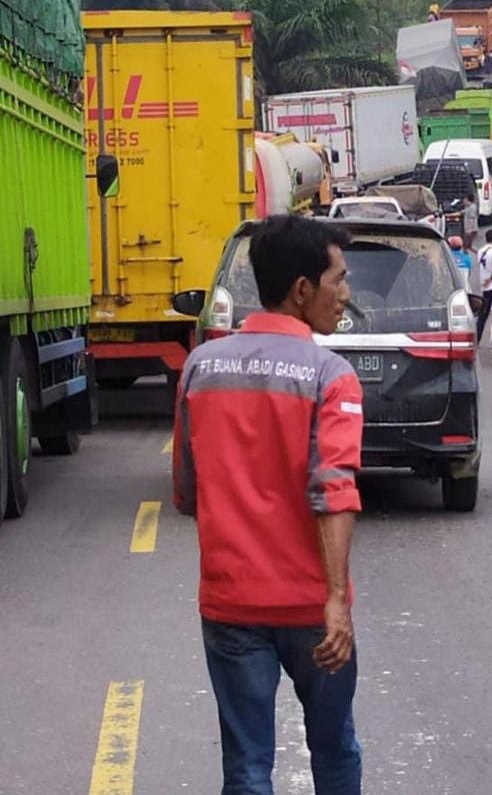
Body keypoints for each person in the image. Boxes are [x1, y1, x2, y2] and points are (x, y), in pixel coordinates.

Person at [173, 215, 363, 794]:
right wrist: (334, 598)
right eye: (340, 279)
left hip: (231, 603)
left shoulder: (199, 369)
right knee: (333, 750)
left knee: (248, 766)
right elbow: (334, 489)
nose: (347, 293)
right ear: (302, 290)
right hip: (312, 611)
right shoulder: (330, 375)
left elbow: (186, 489)